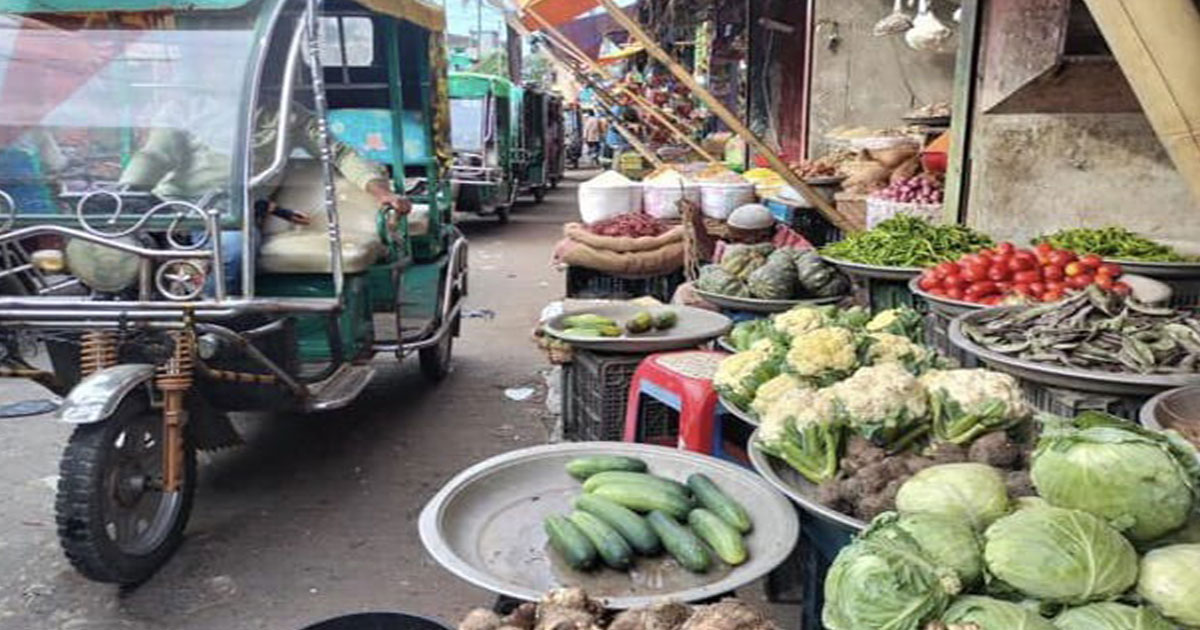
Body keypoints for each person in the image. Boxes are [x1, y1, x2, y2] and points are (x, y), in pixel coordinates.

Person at [120, 102, 409, 293]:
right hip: (174, 205)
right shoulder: (185, 109)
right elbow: (155, 154)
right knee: (114, 250)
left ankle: (205, 328)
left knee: (232, 252)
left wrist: (381, 191)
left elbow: (340, 153)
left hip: (232, 211)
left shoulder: (286, 114)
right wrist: (128, 189)